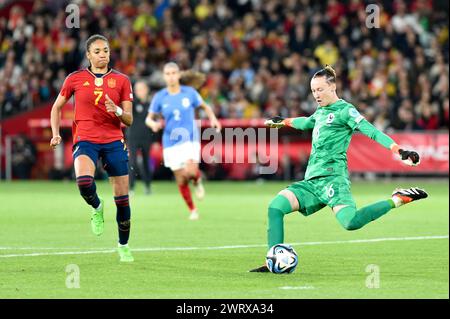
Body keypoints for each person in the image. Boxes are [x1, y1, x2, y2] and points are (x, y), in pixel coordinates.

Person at [250, 65, 428, 272]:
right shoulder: (321, 111)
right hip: (311, 182)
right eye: (313, 91)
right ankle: (273, 258)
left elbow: (370, 131)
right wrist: (284, 121)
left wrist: (398, 150)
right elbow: (307, 122)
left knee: (350, 222)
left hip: (334, 179)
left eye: (320, 90)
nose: (316, 95)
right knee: (275, 208)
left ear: (332, 88)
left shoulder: (345, 110)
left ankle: (398, 199)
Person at [49, 34, 134, 262]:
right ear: (88, 55)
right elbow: (56, 108)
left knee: (123, 198)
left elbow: (129, 120)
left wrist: (116, 110)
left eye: (105, 50)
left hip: (114, 141)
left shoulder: (122, 80)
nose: (102, 55)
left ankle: (123, 245)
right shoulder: (75, 79)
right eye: (97, 51)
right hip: (85, 139)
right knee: (84, 182)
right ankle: (97, 207)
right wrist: (56, 133)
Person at [145, 63, 221, 220]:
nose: (171, 76)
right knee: (181, 178)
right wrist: (153, 124)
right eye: (168, 73)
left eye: (174, 73)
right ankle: (193, 210)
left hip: (189, 138)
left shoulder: (190, 93)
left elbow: (205, 107)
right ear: (164, 76)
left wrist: (213, 119)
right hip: (170, 141)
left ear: (179, 75)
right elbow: (148, 119)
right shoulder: (160, 97)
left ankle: (197, 180)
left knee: (191, 171)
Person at [127, 80, 154, 195]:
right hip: (133, 137)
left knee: (146, 162)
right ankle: (131, 187)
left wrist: (155, 139)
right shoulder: (132, 103)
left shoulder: (151, 105)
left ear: (146, 90)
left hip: (146, 137)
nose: (139, 92)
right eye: (137, 89)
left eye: (141, 89)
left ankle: (147, 186)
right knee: (132, 162)